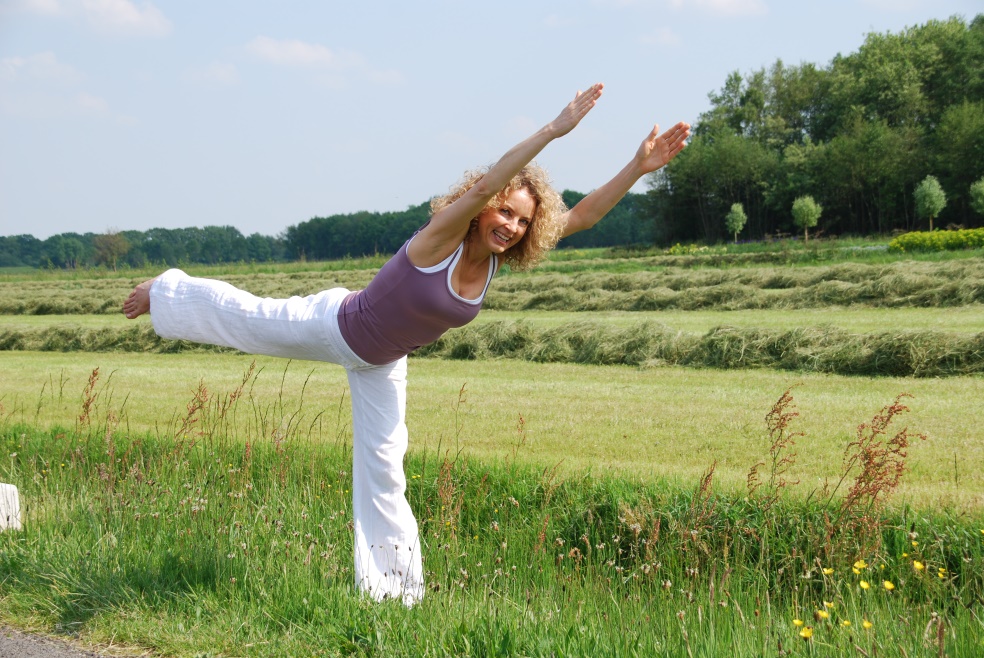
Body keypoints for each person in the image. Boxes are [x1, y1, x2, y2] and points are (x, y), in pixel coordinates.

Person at [123, 83, 690, 605]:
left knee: (385, 469)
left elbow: (583, 217)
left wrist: (639, 167)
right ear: (481, 205)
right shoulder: (444, 231)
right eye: (504, 212)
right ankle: (166, 291)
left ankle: (394, 593)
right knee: (249, 318)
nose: (511, 225)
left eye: (521, 221)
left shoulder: (496, 257)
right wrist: (552, 130)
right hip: (337, 325)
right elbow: (492, 180)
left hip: (384, 359)